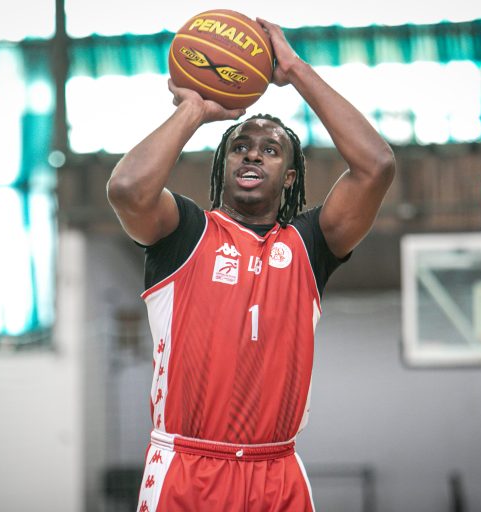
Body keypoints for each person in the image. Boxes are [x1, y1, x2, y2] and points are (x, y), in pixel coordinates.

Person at [107, 17, 395, 512]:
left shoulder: (309, 246)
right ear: (222, 165)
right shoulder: (186, 233)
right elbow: (127, 189)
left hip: (277, 473)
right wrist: (194, 110)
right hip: (187, 468)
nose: (252, 155)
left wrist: (295, 70)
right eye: (239, 147)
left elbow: (377, 166)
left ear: (290, 177)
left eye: (270, 150)